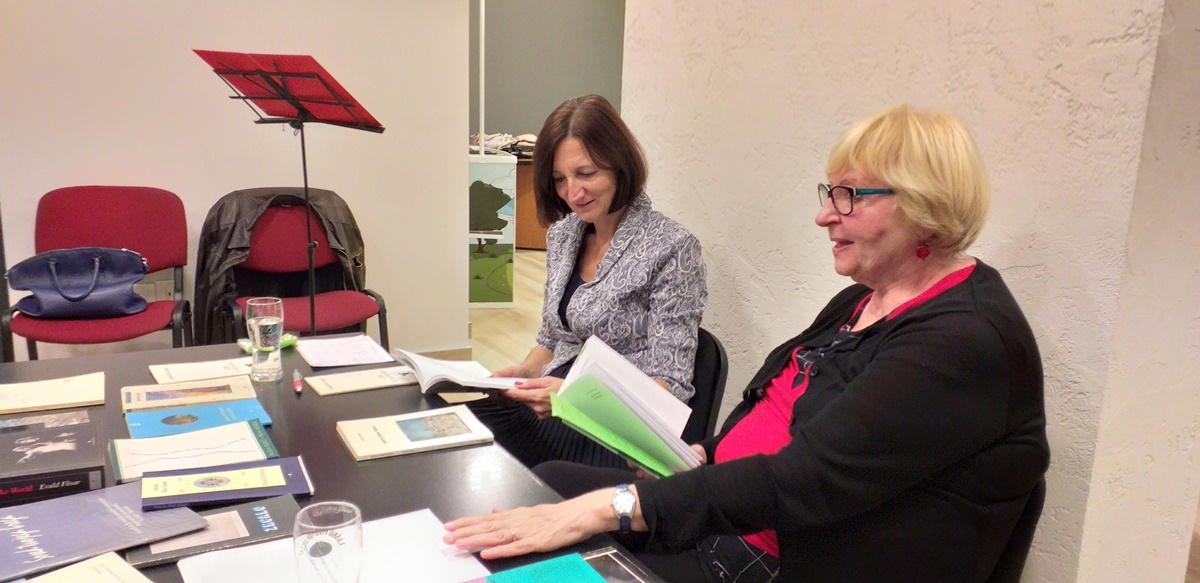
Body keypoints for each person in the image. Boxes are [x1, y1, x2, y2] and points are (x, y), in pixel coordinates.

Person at [444, 105, 1051, 582]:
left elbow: (803, 479)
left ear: (924, 204)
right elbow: (766, 415)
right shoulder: (863, 298)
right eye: (829, 194)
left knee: (543, 545)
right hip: (729, 512)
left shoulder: (962, 342)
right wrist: (702, 454)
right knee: (547, 485)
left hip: (768, 552)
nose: (825, 216)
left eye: (849, 196)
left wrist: (613, 506)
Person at [471, 94, 707, 469]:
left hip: (614, 429)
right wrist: (522, 375)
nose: (572, 193)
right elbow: (551, 341)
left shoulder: (672, 248)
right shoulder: (564, 234)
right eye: (559, 179)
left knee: (507, 466)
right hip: (557, 400)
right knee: (462, 426)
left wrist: (572, 398)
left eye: (586, 173)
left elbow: (670, 387)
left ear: (619, 166)